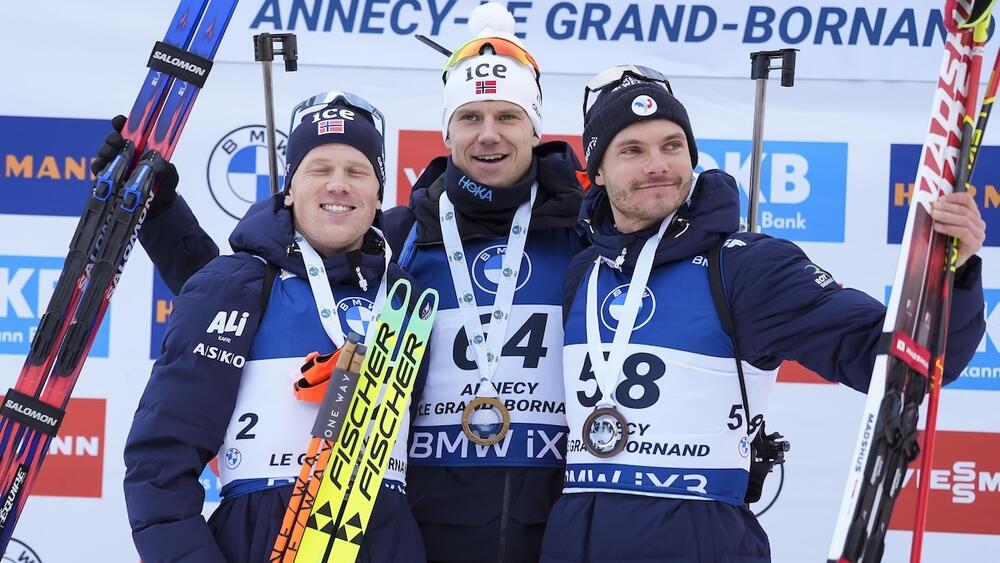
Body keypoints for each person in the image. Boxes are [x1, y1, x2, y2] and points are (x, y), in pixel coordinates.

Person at [127, 4, 589, 560]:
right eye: (470, 117)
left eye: (508, 117)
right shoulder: (402, 243)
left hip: (523, 527)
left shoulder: (587, 240)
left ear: (535, 126)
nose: (488, 135)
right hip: (411, 526)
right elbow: (255, 286)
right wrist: (159, 214)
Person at [538, 68, 987, 562]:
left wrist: (954, 273)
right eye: (632, 150)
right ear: (597, 170)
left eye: (672, 145)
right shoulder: (584, 270)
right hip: (575, 541)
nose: (657, 165)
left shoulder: (746, 267)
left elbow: (893, 360)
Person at [120, 93, 427, 562]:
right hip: (262, 536)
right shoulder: (236, 286)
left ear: (379, 194)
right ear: (288, 188)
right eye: (319, 169)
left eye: (357, 171)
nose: (338, 185)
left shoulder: (406, 299)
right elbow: (160, 462)